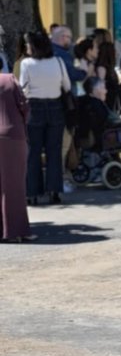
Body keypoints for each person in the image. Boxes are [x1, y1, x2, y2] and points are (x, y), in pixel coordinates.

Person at [19, 30, 71, 205]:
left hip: (34, 108)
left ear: (34, 46)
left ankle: (32, 193)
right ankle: (54, 191)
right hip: (56, 107)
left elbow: (23, 89)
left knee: (33, 152)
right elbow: (67, 85)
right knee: (54, 152)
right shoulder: (57, 61)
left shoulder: (27, 64)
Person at [0, 72, 34, 241]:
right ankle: (16, 231)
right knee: (14, 186)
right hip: (12, 134)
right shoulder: (9, 79)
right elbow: (24, 105)